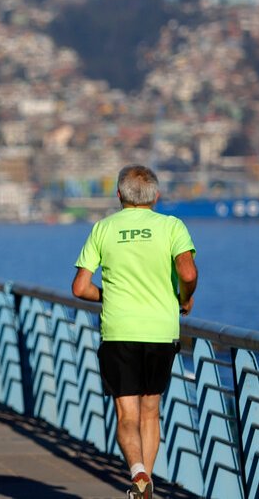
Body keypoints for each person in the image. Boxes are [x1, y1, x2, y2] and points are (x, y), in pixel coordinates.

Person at [71, 165, 198, 499]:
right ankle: (147, 483)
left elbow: (80, 287)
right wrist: (184, 300)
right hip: (160, 330)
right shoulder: (172, 226)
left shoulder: (103, 228)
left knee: (126, 413)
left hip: (118, 331)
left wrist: (108, 295)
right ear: (156, 196)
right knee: (150, 409)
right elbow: (187, 273)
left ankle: (138, 473)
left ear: (119, 196)